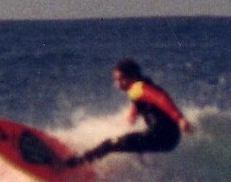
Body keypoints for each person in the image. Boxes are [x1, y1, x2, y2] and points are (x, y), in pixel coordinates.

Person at [66, 59, 194, 167]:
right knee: (134, 145)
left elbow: (160, 98)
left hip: (161, 135)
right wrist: (131, 118)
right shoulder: (140, 87)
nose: (117, 84)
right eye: (116, 80)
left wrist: (180, 119)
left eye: (120, 79)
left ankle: (75, 164)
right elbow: (140, 104)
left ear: (132, 77)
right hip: (170, 138)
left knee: (110, 144)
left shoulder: (139, 88)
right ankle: (144, 171)